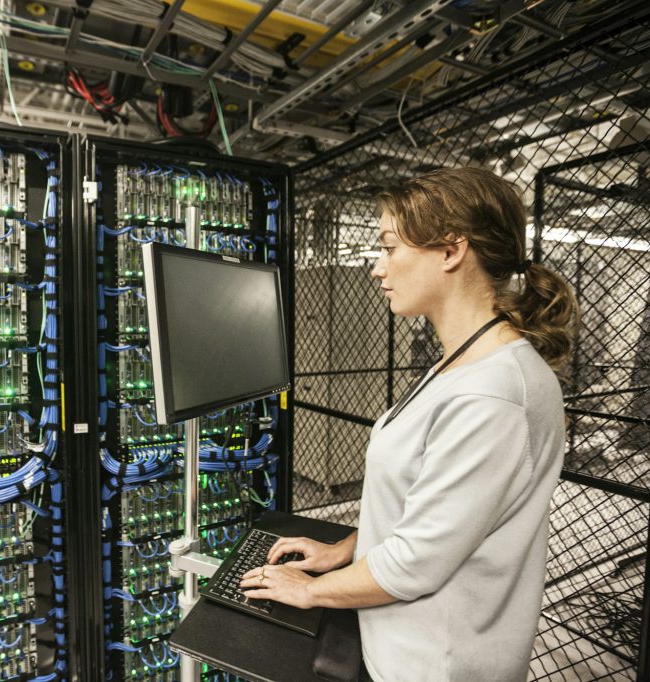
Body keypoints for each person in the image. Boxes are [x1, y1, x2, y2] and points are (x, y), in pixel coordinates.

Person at [239, 167, 578, 682]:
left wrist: (306, 590)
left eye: (390, 248)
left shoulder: (494, 394)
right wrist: (344, 550)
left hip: (432, 664)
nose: (378, 268)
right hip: (393, 643)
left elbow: (416, 562)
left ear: (451, 250)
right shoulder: (457, 363)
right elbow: (431, 513)